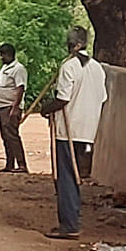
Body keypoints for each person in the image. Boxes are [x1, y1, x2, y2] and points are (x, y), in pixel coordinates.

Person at [43, 27, 109, 239]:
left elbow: (63, 99)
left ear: (73, 46)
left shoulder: (69, 66)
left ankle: (69, 225)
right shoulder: (98, 68)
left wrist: (46, 109)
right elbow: (103, 98)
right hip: (88, 130)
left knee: (66, 177)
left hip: (68, 130)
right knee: (74, 175)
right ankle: (70, 220)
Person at [0, 43, 29, 172]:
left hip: (10, 106)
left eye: (2, 55)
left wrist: (15, 107)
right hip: (1, 106)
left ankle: (21, 164)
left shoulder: (18, 69)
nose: (1, 57)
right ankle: (10, 164)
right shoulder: (4, 68)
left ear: (9, 55)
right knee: (5, 136)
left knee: (12, 135)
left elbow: (20, 88)